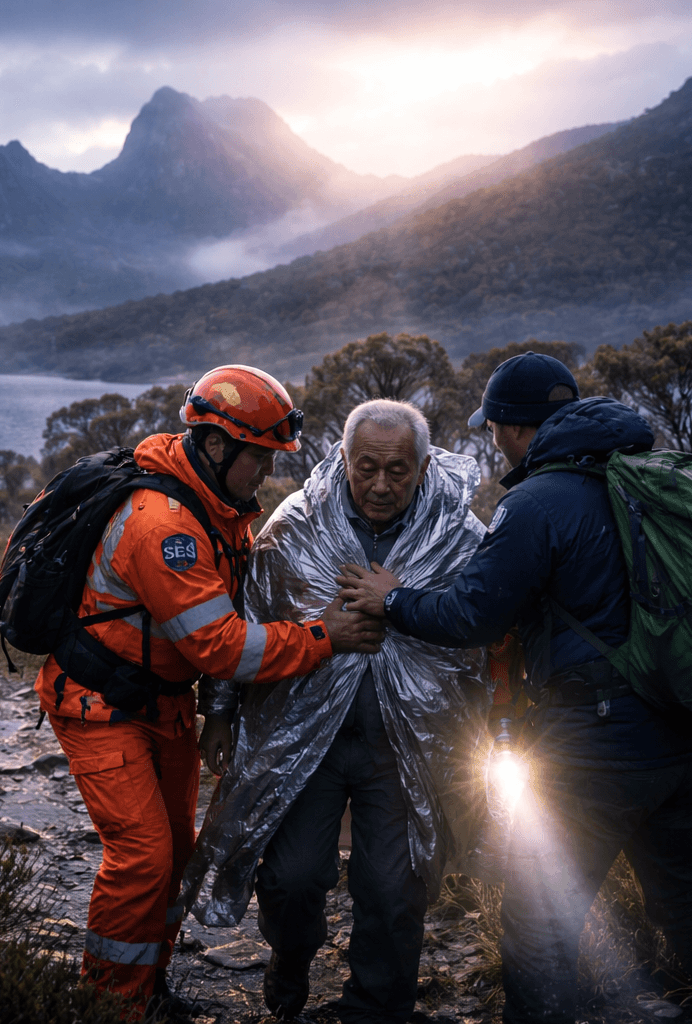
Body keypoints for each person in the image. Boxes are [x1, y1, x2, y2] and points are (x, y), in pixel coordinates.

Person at [336, 353, 692, 1024]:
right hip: (689, 737)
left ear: (516, 428)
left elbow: (473, 616)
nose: (491, 440)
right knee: (685, 894)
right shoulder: (643, 477)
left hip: (598, 750)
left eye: (493, 427)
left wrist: (392, 600)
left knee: (540, 916)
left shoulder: (538, 501)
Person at [34, 365, 382, 1020]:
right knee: (142, 859)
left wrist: (219, 712)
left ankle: (146, 981)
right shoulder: (166, 529)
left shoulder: (218, 511)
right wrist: (323, 636)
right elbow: (222, 645)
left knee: (175, 854)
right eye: (260, 459)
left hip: (157, 703)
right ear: (217, 446)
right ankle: (112, 1004)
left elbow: (232, 624)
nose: (267, 476)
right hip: (99, 706)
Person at [187, 398, 487, 1022]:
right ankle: (290, 959)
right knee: (292, 879)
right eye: (366, 466)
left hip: (405, 745)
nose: (381, 484)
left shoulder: (458, 537)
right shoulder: (296, 527)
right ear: (342, 459)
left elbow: (484, 635)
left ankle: (375, 1007)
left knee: (392, 888)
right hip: (305, 741)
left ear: (425, 465)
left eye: (398, 470)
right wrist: (218, 711)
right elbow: (243, 618)